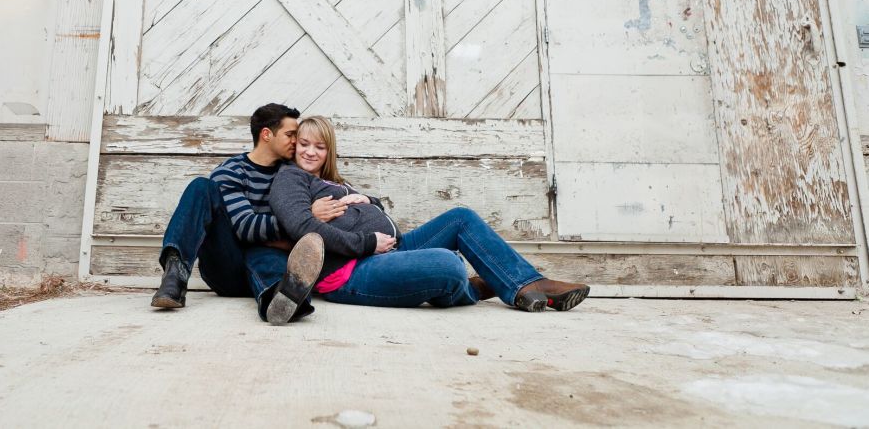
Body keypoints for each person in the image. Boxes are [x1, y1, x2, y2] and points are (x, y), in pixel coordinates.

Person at [269, 116, 591, 313]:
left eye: (320, 147)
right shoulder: (290, 178)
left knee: (460, 218)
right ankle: (472, 288)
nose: (311, 152)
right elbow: (302, 228)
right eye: (305, 145)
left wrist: (366, 199)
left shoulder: (334, 181)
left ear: (330, 150)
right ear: (295, 147)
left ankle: (528, 286)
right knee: (447, 263)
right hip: (351, 272)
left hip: (393, 248)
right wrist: (367, 243)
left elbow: (376, 208)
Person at [151, 103, 325, 325]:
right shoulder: (231, 171)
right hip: (227, 265)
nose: (296, 142)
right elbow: (245, 227)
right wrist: (303, 219)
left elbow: (334, 188)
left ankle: (280, 301)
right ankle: (174, 276)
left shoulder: (293, 173)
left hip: (268, 262)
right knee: (201, 186)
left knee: (264, 255)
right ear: (266, 135)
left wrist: (364, 200)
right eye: (290, 134)